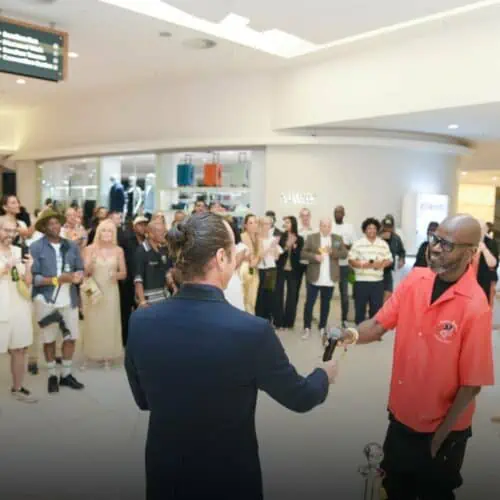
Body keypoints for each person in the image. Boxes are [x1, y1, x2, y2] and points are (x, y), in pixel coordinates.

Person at [125, 212, 338, 500]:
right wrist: (324, 373)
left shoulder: (141, 322)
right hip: (228, 475)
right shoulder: (252, 332)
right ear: (221, 258)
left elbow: (143, 400)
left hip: (166, 473)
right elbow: (301, 397)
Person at [341, 214, 494, 499]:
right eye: (435, 239)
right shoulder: (416, 280)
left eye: (447, 245)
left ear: (470, 253)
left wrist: (439, 438)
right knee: (393, 488)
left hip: (443, 430)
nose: (435, 248)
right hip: (401, 417)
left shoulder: (475, 306)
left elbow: (471, 385)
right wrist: (347, 335)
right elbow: (377, 325)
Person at [30, 210, 85, 393]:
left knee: (71, 337)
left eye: (56, 223)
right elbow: (34, 278)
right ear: (44, 227)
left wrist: (78, 276)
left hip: (69, 299)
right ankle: (52, 375)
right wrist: (56, 280)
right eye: (49, 224)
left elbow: (80, 268)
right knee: (49, 339)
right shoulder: (36, 247)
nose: (54, 226)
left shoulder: (71, 245)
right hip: (46, 299)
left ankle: (66, 374)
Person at [0, 216, 37, 403]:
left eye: (13, 231)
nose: (10, 234)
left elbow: (27, 281)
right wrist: (5, 268)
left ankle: (18, 387)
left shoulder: (18, 250)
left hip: (19, 305)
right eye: (6, 230)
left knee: (20, 348)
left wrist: (29, 267)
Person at [82, 219, 127, 369]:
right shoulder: (89, 249)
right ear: (98, 232)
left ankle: (108, 355)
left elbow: (124, 273)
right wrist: (90, 262)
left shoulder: (118, 250)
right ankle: (91, 353)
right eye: (104, 230)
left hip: (111, 290)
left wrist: (116, 275)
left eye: (110, 231)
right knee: (92, 322)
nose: (107, 233)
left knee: (109, 322)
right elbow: (85, 272)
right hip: (93, 289)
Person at [301, 218, 348, 341]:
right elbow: (303, 253)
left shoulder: (337, 238)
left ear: (331, 227)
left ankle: (322, 326)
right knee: (309, 303)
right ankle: (307, 327)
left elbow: (344, 254)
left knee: (326, 303)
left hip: (329, 278)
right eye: (323, 226)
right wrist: (314, 256)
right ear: (320, 226)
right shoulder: (312, 237)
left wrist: (333, 252)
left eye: (328, 226)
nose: (326, 228)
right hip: (314, 277)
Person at [349, 218, 393, 325]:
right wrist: (363, 265)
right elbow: (351, 260)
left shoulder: (383, 244)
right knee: (360, 309)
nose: (372, 230)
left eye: (374, 228)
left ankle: (371, 331)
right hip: (361, 282)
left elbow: (389, 260)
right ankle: (359, 330)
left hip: (377, 282)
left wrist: (381, 265)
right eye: (369, 228)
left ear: (377, 230)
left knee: (376, 310)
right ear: (364, 230)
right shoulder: (358, 243)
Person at [134, 219, 172, 307]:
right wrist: (142, 301)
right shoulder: (141, 251)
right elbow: (138, 279)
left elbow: (166, 272)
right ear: (151, 234)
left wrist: (173, 287)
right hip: (149, 299)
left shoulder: (162, 250)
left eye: (164, 231)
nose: (164, 234)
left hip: (164, 296)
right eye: (160, 232)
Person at [275, 216, 304, 330]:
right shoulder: (281, 237)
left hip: (294, 271)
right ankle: (278, 322)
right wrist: (287, 246)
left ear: (293, 224)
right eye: (285, 222)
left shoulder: (300, 239)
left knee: (292, 296)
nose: (286, 224)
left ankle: (289, 322)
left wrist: (295, 248)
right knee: (278, 294)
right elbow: (278, 253)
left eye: (288, 222)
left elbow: (300, 256)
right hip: (281, 269)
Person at [255, 216, 282, 323]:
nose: (266, 226)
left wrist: (274, 247)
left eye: (268, 224)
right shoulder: (257, 239)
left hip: (271, 269)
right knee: (260, 294)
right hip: (260, 269)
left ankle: (268, 319)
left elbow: (276, 257)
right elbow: (260, 255)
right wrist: (270, 247)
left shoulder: (273, 239)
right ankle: (259, 318)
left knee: (270, 295)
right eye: (264, 224)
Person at [333, 205, 356, 327]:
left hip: (344, 265)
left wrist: (344, 246)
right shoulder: (330, 226)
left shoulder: (349, 227)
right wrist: (340, 245)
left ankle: (344, 319)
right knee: (326, 293)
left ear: (343, 214)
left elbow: (354, 244)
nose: (337, 214)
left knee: (344, 294)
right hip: (331, 265)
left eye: (340, 212)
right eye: (336, 212)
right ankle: (323, 321)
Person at [380, 216, 406, 302]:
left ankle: (383, 309)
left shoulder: (396, 238)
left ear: (393, 227)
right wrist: (381, 238)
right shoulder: (376, 237)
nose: (388, 229)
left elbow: (401, 251)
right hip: (376, 270)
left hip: (388, 271)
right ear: (382, 226)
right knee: (377, 297)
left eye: (390, 227)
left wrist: (402, 259)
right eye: (386, 226)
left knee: (388, 294)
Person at [240, 214, 262, 314]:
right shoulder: (242, 236)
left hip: (254, 269)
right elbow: (244, 254)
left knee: (252, 299)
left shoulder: (258, 238)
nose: (254, 225)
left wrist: (256, 260)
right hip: (243, 269)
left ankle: (250, 318)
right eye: (251, 223)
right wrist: (252, 260)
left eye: (255, 222)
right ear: (245, 225)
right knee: (243, 297)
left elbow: (260, 253)